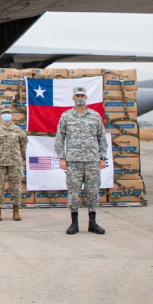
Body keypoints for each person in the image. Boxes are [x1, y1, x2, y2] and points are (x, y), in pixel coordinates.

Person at [54, 86, 108, 235]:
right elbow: (60, 138)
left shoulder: (95, 116)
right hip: (74, 162)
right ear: (73, 98)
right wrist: (62, 158)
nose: (80, 98)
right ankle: (74, 223)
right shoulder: (66, 116)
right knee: (73, 193)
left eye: (82, 96)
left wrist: (102, 157)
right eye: (77, 95)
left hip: (92, 161)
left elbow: (101, 138)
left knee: (92, 192)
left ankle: (92, 223)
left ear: (86, 98)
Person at [0, 105, 28, 222]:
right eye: (4, 114)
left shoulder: (18, 130)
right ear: (0, 116)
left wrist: (19, 155)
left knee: (16, 187)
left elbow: (23, 144)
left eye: (8, 113)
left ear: (11, 116)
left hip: (14, 162)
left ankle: (16, 211)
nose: (6, 116)